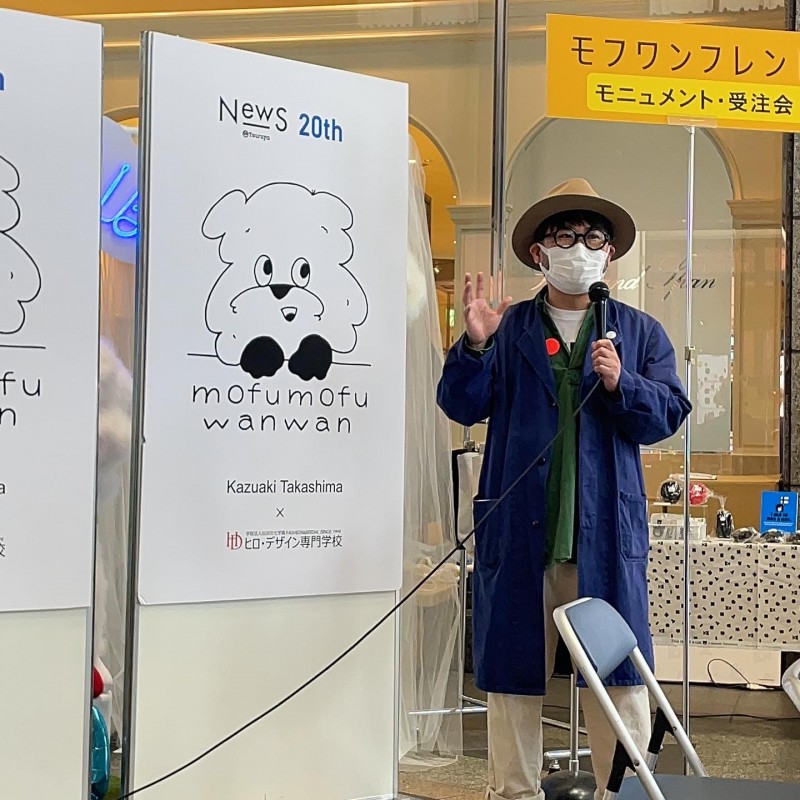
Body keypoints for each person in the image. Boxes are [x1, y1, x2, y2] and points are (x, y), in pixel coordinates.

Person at [436, 178, 691, 800]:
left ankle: (621, 792)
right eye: (564, 236)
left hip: (603, 536)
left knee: (620, 677)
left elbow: (667, 412)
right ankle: (514, 791)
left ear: (610, 252)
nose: (580, 247)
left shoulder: (639, 332)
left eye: (592, 237)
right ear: (538, 252)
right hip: (522, 531)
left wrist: (624, 383)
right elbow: (460, 405)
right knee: (512, 677)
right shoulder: (508, 327)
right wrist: (476, 344)